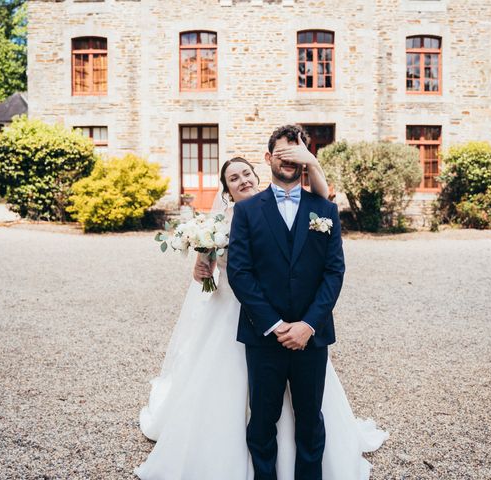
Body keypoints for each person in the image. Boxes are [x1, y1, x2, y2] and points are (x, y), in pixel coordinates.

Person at [135, 126, 388, 480]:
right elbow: (238, 271)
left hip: (310, 335)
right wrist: (272, 323)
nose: (290, 162)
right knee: (262, 419)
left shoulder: (324, 210)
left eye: (297, 155)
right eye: (282, 156)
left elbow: (334, 272)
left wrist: (308, 324)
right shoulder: (247, 212)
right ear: (268, 159)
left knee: (311, 420)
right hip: (259, 330)